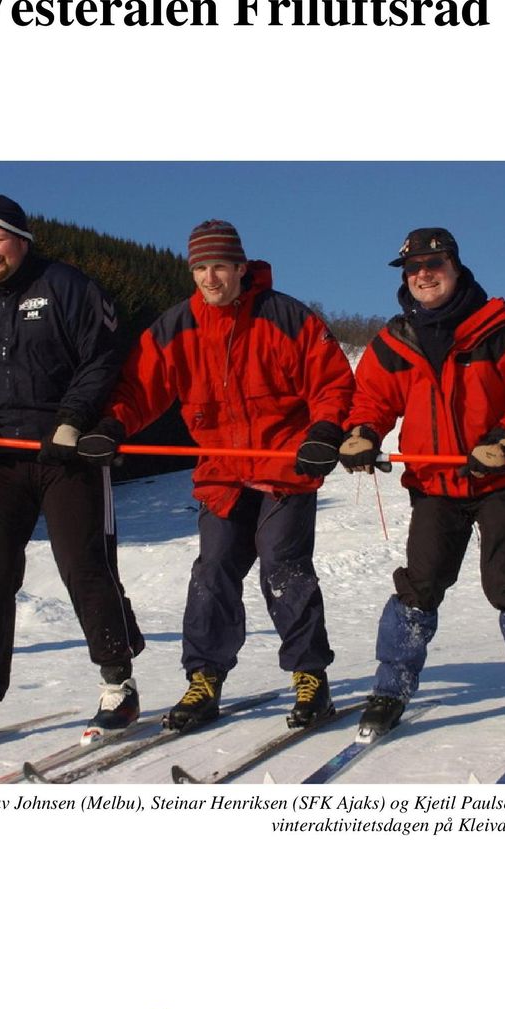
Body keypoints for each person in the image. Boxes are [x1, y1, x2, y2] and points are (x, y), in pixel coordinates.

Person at [70, 218, 355, 731]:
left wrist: (325, 430)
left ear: (242, 268)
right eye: (199, 268)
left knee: (281, 566)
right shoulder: (177, 326)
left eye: (219, 266)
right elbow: (140, 388)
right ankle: (204, 679)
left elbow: (331, 379)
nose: (209, 277)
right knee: (212, 570)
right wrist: (114, 424)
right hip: (223, 473)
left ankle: (310, 677)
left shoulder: (286, 317)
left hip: (283, 468)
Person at [0, 192, 144, 743]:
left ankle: (118, 682)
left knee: (83, 562)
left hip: (64, 451)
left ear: (22, 241)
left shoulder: (67, 286)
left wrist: (72, 418)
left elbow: (104, 356)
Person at [340, 227, 505, 737]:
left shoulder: (504, 328)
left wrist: (504, 440)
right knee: (419, 586)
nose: (424, 274)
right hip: (433, 482)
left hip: (498, 480)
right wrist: (361, 433)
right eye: (413, 268)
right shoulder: (393, 340)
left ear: (455, 266)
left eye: (434, 263)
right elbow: (372, 401)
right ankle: (389, 690)